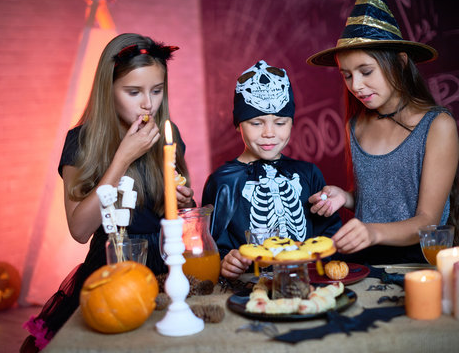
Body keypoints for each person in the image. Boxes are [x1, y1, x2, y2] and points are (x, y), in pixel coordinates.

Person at [21, 33, 195, 352]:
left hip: (167, 271)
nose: (148, 103)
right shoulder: (81, 142)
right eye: (133, 92)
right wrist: (123, 158)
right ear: (109, 90)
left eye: (156, 91)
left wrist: (184, 202)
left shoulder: (169, 134)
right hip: (112, 273)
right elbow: (79, 229)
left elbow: (181, 216)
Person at [305, 0, 459, 264]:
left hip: (416, 263)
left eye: (366, 72)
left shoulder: (437, 126)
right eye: (347, 76)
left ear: (400, 63)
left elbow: (427, 221)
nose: (356, 86)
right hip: (363, 263)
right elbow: (381, 198)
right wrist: (347, 198)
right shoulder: (356, 125)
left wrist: (372, 232)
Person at [202, 60, 342, 280]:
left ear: (292, 123)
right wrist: (226, 262)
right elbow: (213, 247)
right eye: (256, 123)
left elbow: (330, 236)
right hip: (249, 289)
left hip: (309, 284)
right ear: (238, 124)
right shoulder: (222, 181)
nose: (269, 133)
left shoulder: (308, 173)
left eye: (280, 122)